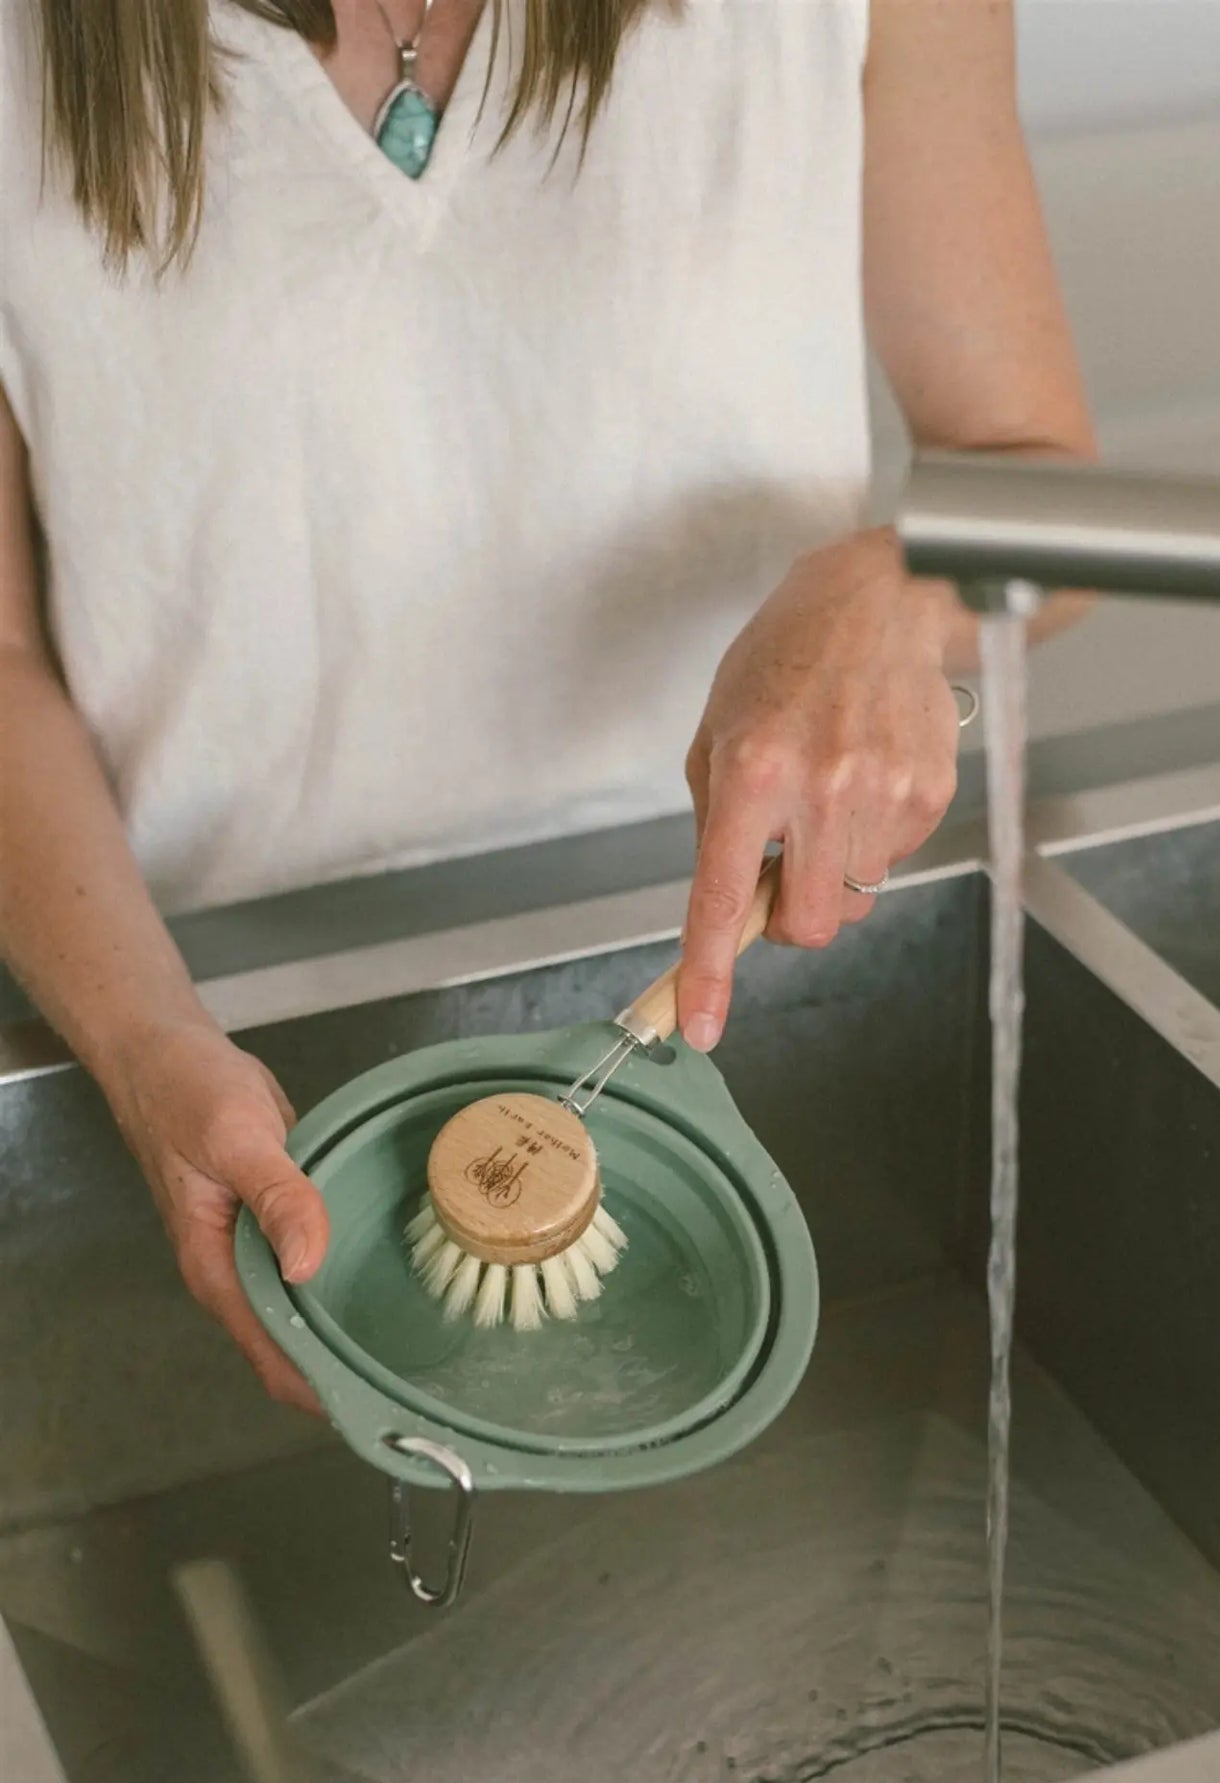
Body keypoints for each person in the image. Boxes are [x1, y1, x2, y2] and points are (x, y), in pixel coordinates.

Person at [0, 0, 1093, 1411]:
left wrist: (898, 586)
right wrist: (150, 1050)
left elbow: (1042, 485)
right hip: (208, 1027)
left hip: (779, 977)